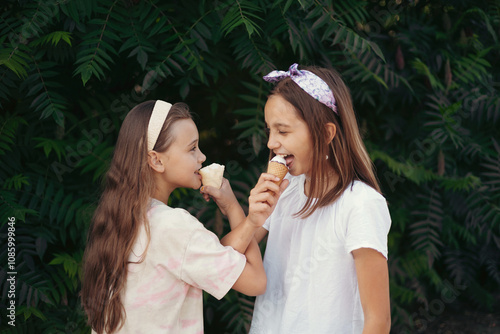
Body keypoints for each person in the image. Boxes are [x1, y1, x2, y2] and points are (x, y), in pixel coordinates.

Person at [81, 100, 287, 334]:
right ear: (156, 160)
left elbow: (214, 256)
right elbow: (256, 281)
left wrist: (238, 212)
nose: (202, 157)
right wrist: (238, 212)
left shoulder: (125, 220)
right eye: (192, 148)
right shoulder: (173, 226)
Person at [248, 64, 392, 333]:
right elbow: (231, 263)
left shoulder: (360, 205)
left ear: (326, 134)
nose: (270, 143)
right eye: (269, 130)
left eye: (283, 131)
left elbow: (378, 321)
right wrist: (249, 216)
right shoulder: (285, 191)